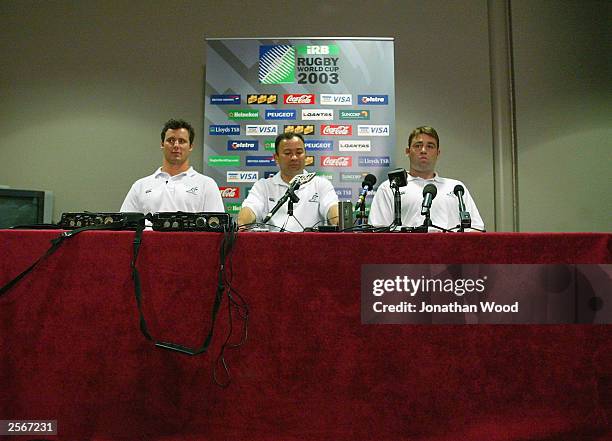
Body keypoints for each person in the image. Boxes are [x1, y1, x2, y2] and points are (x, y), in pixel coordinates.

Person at [368, 126, 484, 231]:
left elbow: (476, 228)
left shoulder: (456, 188)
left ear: (438, 153)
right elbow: (378, 230)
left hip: (450, 252)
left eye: (430, 146)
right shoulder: (390, 187)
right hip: (406, 253)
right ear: (408, 151)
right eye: (418, 146)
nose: (423, 150)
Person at [237, 132, 339, 231]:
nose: (294, 157)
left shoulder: (321, 184)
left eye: (299, 152)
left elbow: (331, 206)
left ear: (305, 156)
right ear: (276, 158)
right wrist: (242, 224)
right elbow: (250, 208)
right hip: (272, 245)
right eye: (287, 153)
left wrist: (337, 220)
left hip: (312, 245)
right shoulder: (263, 186)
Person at [120, 119, 224, 214]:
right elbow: (124, 227)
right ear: (162, 144)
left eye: (182, 141)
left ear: (191, 146)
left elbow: (216, 228)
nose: (176, 145)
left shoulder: (207, 185)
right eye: (171, 140)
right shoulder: (140, 186)